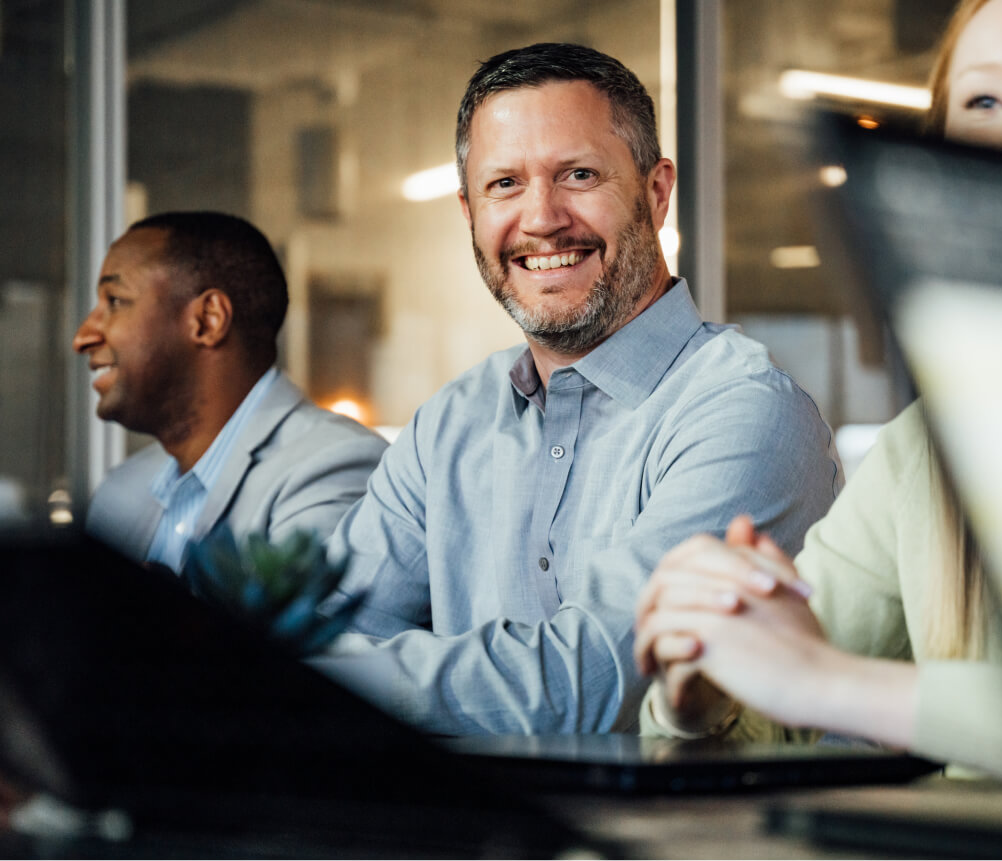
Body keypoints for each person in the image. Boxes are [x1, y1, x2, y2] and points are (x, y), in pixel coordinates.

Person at [634, 0, 1002, 785]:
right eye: (984, 103)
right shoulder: (926, 450)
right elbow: (765, 715)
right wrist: (705, 683)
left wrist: (832, 682)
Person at [314, 43, 841, 736]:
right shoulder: (447, 425)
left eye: (579, 174)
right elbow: (323, 621)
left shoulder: (747, 415)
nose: (541, 218)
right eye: (504, 184)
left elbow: (594, 681)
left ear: (656, 193)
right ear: (469, 212)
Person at [74, 211, 387, 572]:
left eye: (114, 301)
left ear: (208, 319)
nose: (83, 337)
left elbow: (298, 627)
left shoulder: (334, 467)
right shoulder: (119, 494)